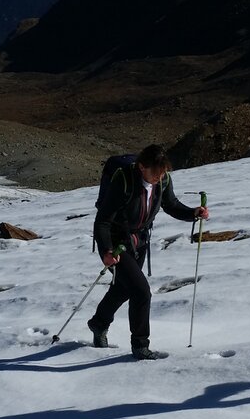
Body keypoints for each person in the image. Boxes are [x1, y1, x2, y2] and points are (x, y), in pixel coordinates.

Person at [88, 145, 210, 360]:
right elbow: (103, 221)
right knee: (141, 291)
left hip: (140, 240)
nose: (160, 176)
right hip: (116, 241)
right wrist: (107, 250)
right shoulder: (124, 181)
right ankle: (140, 346)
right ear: (142, 167)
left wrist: (193, 213)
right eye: (156, 172)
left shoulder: (162, 180)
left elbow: (171, 204)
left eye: (163, 172)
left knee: (123, 289)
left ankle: (98, 324)